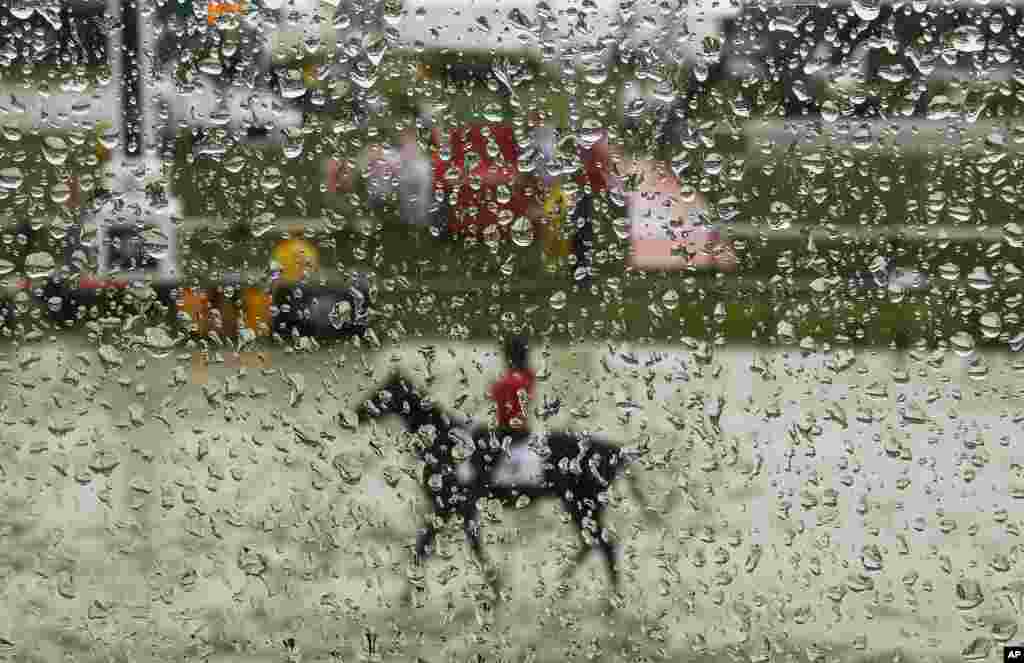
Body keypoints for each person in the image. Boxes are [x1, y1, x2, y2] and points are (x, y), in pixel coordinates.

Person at [488, 334, 541, 487]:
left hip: (508, 433)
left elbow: (496, 394)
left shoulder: (509, 381)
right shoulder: (528, 376)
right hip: (523, 430)